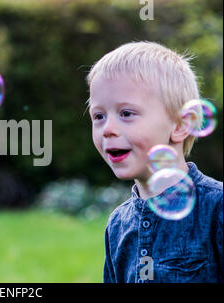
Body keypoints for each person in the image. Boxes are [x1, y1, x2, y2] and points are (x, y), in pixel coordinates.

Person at [86, 41, 223, 282]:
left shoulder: (216, 208)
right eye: (99, 116)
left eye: (126, 113)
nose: (107, 129)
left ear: (181, 125)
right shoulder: (118, 224)